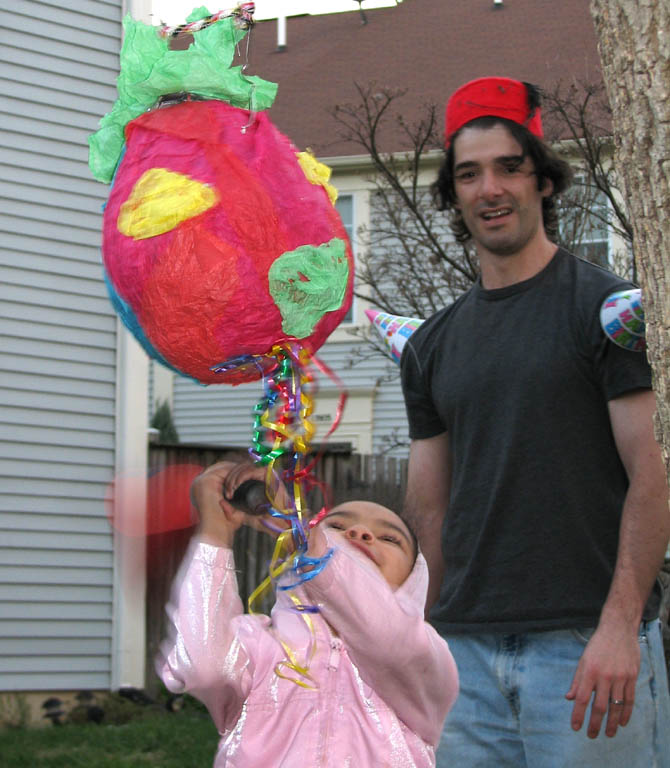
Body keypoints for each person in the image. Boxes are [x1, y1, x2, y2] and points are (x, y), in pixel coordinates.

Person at [400, 76, 670, 767]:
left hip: (584, 651)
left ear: (542, 181)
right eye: (469, 174)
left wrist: (620, 625)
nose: (490, 188)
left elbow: (654, 473)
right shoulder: (431, 345)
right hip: (463, 658)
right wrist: (418, 636)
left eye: (508, 167)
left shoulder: (610, 313)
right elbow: (428, 504)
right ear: (454, 195)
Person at [158, 460, 459, 767]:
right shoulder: (262, 645)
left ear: (414, 580)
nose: (360, 532)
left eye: (390, 538)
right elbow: (202, 663)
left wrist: (298, 530)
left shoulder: (428, 657)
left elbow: (389, 636)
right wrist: (214, 532)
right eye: (337, 527)